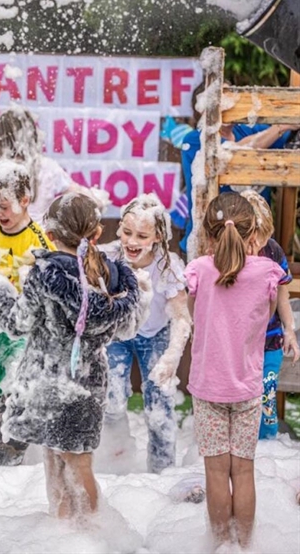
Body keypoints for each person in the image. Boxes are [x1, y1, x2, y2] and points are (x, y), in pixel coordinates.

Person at [0, 192, 140, 519]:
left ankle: (70, 534)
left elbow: (17, 322)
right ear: (96, 234)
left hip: (48, 384)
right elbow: (124, 327)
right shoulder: (113, 274)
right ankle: (83, 537)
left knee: (56, 466)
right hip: (88, 385)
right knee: (80, 467)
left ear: (48, 235)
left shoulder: (45, 273)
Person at [177, 192, 282, 548]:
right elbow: (265, 317)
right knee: (244, 471)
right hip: (248, 388)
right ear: (254, 235)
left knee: (216, 473)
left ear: (207, 237)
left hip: (208, 388)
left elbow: (194, 313)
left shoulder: (200, 271)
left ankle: (220, 545)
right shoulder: (269, 272)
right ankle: (245, 546)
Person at [0, 161, 53, 466]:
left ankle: (6, 456)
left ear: (25, 200)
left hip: (21, 335)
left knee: (13, 396)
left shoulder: (39, 240)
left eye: (4, 206)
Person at [100, 195, 190, 474]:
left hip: (155, 335)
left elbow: (182, 318)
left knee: (160, 405)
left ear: (158, 236)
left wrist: (172, 357)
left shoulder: (168, 266)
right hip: (118, 335)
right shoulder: (109, 256)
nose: (132, 241)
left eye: (142, 235)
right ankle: (115, 458)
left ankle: (162, 472)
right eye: (127, 232)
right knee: (111, 399)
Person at [178, 83, 293, 257]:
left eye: (231, 94)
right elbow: (231, 152)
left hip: (253, 246)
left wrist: (287, 122)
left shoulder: (247, 130)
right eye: (221, 96)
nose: (229, 101)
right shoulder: (194, 139)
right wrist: (280, 127)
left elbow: (286, 135)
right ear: (203, 109)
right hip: (209, 245)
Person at [239, 190, 299, 438]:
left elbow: (283, 294)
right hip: (239, 341)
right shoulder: (228, 254)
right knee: (241, 397)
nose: (257, 248)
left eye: (263, 241)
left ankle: (268, 443)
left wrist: (290, 331)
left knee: (266, 394)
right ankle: (241, 442)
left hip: (271, 338)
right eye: (252, 241)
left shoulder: (272, 252)